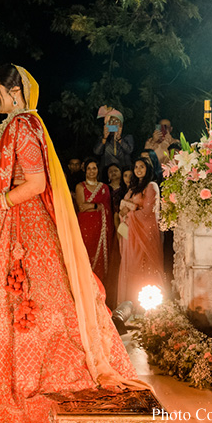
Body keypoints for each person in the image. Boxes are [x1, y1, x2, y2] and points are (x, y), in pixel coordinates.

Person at [0, 64, 149, 423]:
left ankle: (15, 381)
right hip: (7, 221)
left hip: (21, 223)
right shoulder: (16, 125)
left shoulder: (23, 125)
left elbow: (35, 182)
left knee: (30, 298)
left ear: (14, 93)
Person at [116, 157, 164, 308]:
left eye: (142, 167)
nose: (138, 170)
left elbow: (149, 213)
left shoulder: (151, 186)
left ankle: (147, 309)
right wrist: (124, 213)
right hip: (130, 235)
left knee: (145, 268)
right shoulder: (133, 188)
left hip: (144, 235)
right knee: (130, 267)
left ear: (148, 169)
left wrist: (129, 213)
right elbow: (123, 210)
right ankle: (130, 307)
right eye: (136, 166)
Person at [75, 158, 113, 282]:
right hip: (85, 225)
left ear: (98, 170)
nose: (92, 171)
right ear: (85, 171)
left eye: (94, 168)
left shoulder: (104, 188)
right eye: (89, 168)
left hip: (100, 227)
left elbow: (107, 209)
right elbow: (82, 207)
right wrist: (97, 206)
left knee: (100, 256)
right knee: (85, 253)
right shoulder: (80, 186)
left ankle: (99, 285)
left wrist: (91, 206)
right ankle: (85, 283)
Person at [93, 107, 134, 176]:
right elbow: (97, 152)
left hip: (123, 171)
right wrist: (104, 138)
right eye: (111, 121)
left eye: (117, 121)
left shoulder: (127, 137)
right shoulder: (103, 138)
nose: (114, 124)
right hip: (107, 172)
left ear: (121, 124)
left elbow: (129, 150)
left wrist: (119, 139)